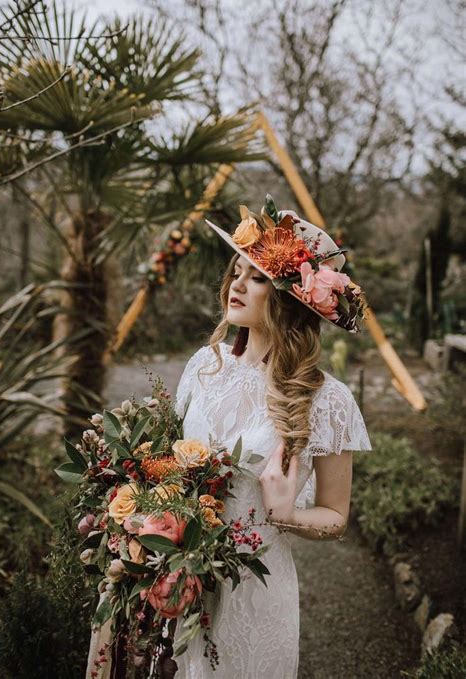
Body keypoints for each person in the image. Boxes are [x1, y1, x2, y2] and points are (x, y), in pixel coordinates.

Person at [171, 196, 372, 678]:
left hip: (253, 588)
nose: (237, 284)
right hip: (179, 579)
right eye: (236, 271)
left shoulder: (328, 400)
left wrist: (284, 514)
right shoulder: (205, 365)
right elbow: (167, 465)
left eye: (257, 277)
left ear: (288, 298)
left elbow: (336, 517)